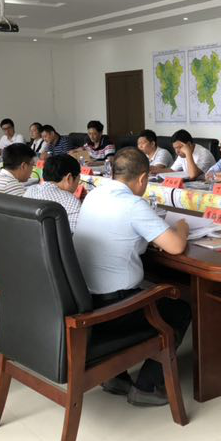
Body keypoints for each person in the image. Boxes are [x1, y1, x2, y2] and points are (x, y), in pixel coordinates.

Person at [73, 147, 192, 406]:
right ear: (142, 178)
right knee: (180, 308)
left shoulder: (94, 194)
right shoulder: (133, 204)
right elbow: (175, 246)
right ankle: (147, 386)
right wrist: (182, 228)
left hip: (85, 300)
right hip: (115, 308)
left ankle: (114, 377)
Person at [24, 154, 82, 230]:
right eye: (78, 180)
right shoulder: (70, 201)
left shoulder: (30, 190)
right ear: (69, 178)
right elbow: (78, 234)